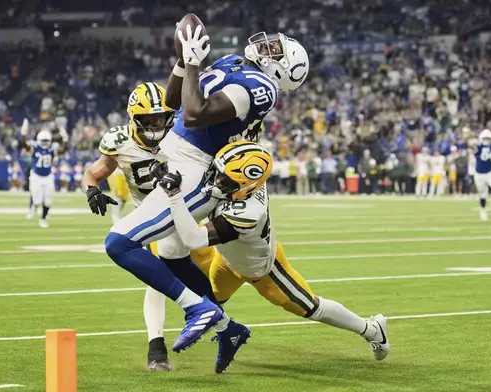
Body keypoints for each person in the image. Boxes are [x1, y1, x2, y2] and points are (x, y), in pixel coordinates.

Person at [102, 23, 310, 354]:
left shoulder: (262, 86)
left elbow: (196, 115)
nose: (270, 47)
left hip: (193, 170)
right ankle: (228, 329)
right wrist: (184, 62)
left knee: (118, 244)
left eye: (277, 52)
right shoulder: (234, 63)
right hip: (176, 159)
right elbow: (173, 101)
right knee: (171, 255)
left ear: (282, 70)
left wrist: (196, 63)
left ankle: (198, 308)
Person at [158, 141, 390, 372]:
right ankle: (230, 336)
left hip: (262, 269)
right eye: (219, 174)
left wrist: (174, 195)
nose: (217, 181)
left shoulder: (249, 212)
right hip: (226, 260)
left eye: (225, 180)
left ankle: (371, 329)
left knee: (310, 307)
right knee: (210, 304)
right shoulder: (245, 179)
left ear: (247, 185)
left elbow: (195, 239)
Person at [83, 82, 220, 370]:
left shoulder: (180, 140)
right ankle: (156, 347)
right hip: (149, 217)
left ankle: (217, 319)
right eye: (150, 120)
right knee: (157, 280)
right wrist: (91, 190)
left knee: (201, 279)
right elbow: (94, 172)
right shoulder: (120, 141)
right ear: (135, 119)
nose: (158, 125)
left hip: (185, 212)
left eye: (161, 118)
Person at [22, 121, 68, 228]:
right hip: (36, 175)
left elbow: (63, 150)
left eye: (46, 140)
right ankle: (32, 208)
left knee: (48, 199)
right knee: (36, 197)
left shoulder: (52, 148)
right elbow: (25, 145)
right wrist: (23, 134)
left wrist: (65, 140)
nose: (44, 142)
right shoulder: (35, 147)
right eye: (43, 140)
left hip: (48, 176)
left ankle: (43, 218)